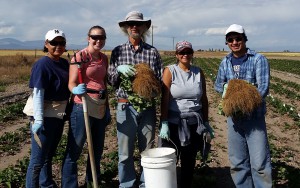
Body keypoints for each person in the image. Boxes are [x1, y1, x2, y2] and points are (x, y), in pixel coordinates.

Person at [108, 11, 163, 188]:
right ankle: (127, 184)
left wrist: (149, 84)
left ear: (144, 27)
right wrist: (118, 70)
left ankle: (146, 184)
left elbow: (160, 81)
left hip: (147, 108)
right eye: (131, 24)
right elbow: (110, 79)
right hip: (125, 107)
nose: (134, 27)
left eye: (138, 24)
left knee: (147, 151)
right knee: (125, 153)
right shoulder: (117, 52)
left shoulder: (152, 53)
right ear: (126, 28)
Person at [214, 24, 272, 188]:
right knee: (238, 163)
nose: (234, 42)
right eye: (230, 39)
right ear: (227, 42)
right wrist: (226, 90)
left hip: (254, 118)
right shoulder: (225, 61)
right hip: (234, 120)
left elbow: (263, 88)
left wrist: (242, 99)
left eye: (238, 38)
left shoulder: (258, 59)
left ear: (244, 39)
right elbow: (218, 85)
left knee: (260, 164)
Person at [159, 41, 214, 188]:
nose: (185, 55)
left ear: (192, 54)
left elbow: (204, 98)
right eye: (182, 52)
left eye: (188, 52)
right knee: (170, 159)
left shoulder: (198, 72)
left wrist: (206, 122)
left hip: (194, 123)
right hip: (174, 122)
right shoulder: (170, 71)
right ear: (177, 55)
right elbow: (164, 98)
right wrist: (164, 122)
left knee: (189, 160)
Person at [61, 25, 110, 188]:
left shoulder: (104, 58)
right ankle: (69, 185)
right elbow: (71, 83)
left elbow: (103, 83)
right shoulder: (80, 56)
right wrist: (75, 89)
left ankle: (92, 182)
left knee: (96, 150)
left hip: (100, 106)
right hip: (82, 106)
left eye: (101, 37)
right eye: (94, 37)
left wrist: (108, 108)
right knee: (75, 149)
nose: (98, 40)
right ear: (88, 38)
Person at [24, 29, 70, 188]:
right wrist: (38, 119)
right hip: (44, 114)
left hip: (58, 115)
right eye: (54, 42)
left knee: (48, 155)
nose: (58, 46)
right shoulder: (43, 65)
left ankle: (46, 184)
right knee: (37, 161)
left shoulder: (64, 63)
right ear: (46, 44)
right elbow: (38, 93)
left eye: (61, 43)